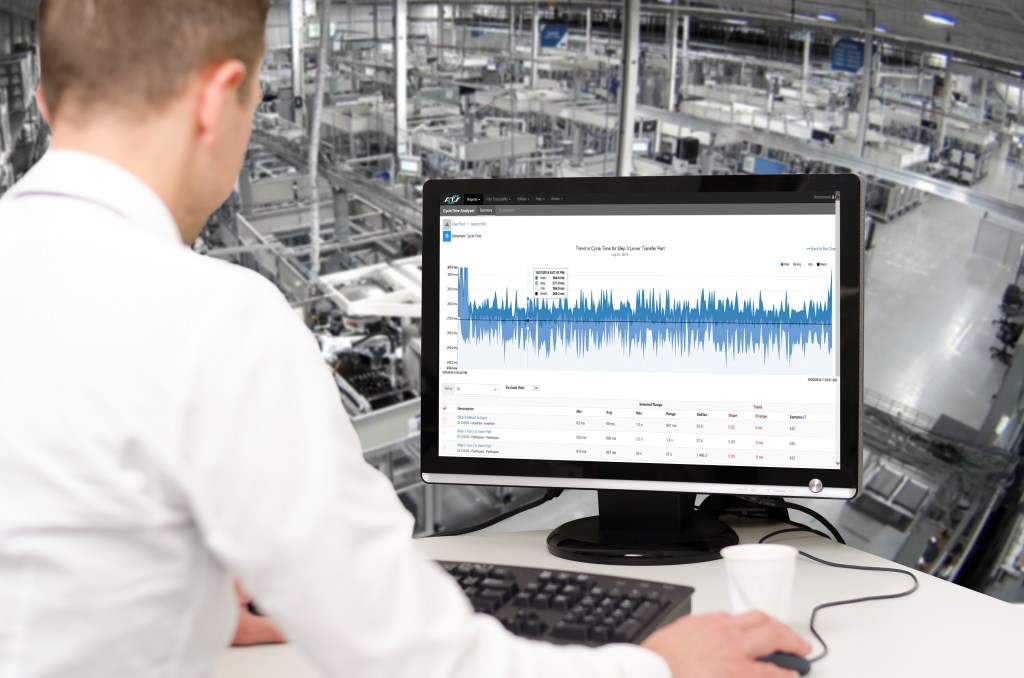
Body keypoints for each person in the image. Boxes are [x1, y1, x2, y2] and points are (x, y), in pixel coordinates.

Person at [0, 2, 811, 677]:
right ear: (220, 98)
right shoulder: (214, 317)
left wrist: (190, 604)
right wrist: (659, 667)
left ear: (43, 105)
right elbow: (410, 657)